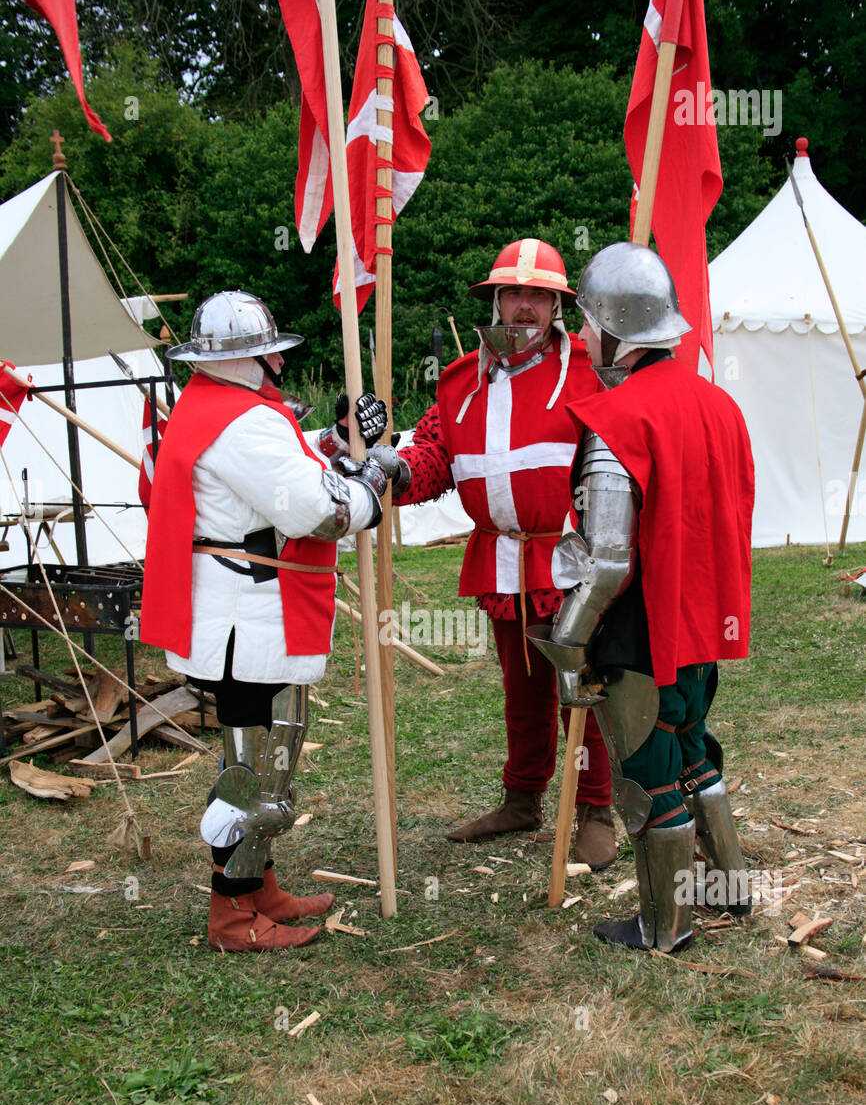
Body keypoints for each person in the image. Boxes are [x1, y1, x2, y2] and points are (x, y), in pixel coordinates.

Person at [140, 290, 396, 952]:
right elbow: (312, 509)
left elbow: (287, 464)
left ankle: (259, 887)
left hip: (240, 615)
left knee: (260, 761)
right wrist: (370, 480)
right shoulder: (238, 422)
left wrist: (341, 442)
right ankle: (232, 915)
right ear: (258, 357)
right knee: (251, 776)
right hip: (245, 622)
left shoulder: (216, 408)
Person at [533, 242, 754, 952]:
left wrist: (566, 645)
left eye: (588, 322)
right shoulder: (721, 406)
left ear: (615, 329)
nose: (581, 335)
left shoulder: (616, 422)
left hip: (642, 633)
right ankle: (730, 888)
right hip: (702, 625)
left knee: (646, 783)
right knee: (695, 753)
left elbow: (605, 562)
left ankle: (666, 929)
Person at [386, 239, 616, 867]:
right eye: (512, 293)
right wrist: (394, 471)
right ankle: (523, 798)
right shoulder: (463, 380)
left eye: (537, 295)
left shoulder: (589, 373)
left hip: (570, 561)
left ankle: (596, 808)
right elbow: (433, 459)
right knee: (522, 690)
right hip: (501, 560)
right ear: (494, 299)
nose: (523, 307)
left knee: (581, 689)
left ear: (557, 306)